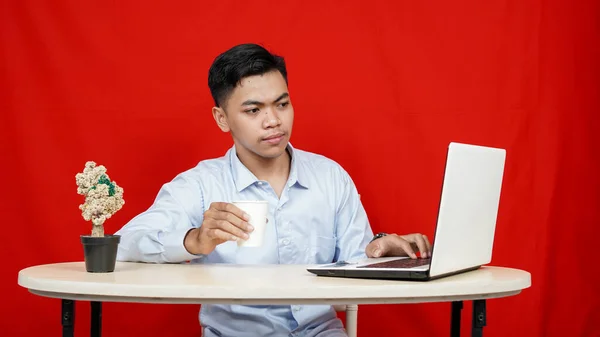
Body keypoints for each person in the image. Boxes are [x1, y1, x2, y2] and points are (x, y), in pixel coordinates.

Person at [115, 43, 432, 337]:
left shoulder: (330, 177)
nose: (273, 121)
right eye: (253, 110)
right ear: (222, 118)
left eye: (282, 104)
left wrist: (379, 253)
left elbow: (353, 261)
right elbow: (123, 244)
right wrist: (194, 240)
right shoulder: (199, 185)